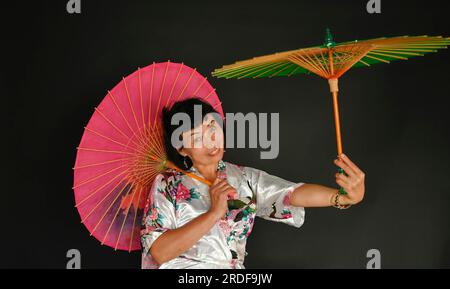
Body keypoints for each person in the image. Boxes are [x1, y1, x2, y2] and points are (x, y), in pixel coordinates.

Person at [140, 98, 365, 269]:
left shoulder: (242, 177)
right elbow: (159, 252)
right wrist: (213, 213)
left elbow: (290, 193)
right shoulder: (167, 185)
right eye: (197, 137)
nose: (211, 140)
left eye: (212, 127)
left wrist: (342, 197)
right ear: (180, 148)